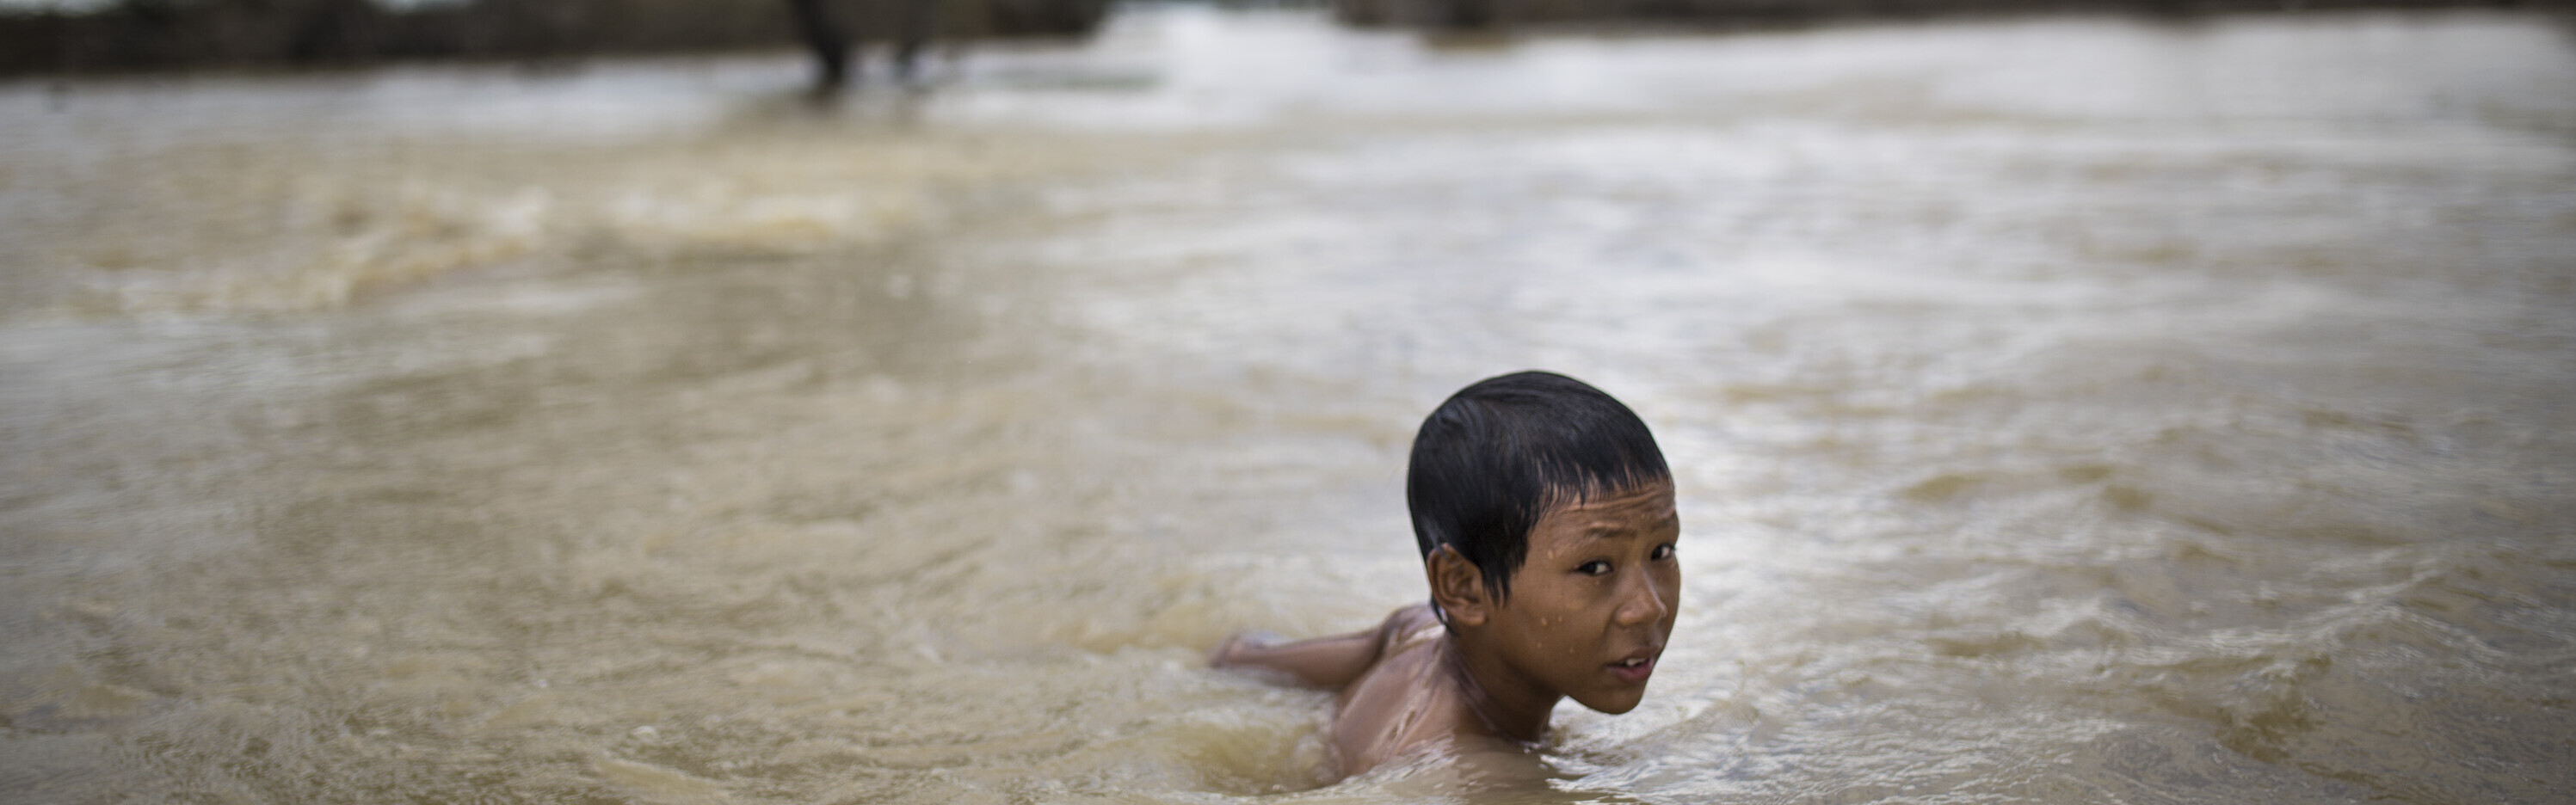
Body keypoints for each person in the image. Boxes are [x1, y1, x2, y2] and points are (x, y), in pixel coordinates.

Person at [1211, 370, 1680, 779]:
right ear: (1463, 589)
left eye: (1661, 551)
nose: (1649, 606)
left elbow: (1241, 659)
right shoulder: (1460, 776)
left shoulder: (1413, 632)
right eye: (1594, 566)